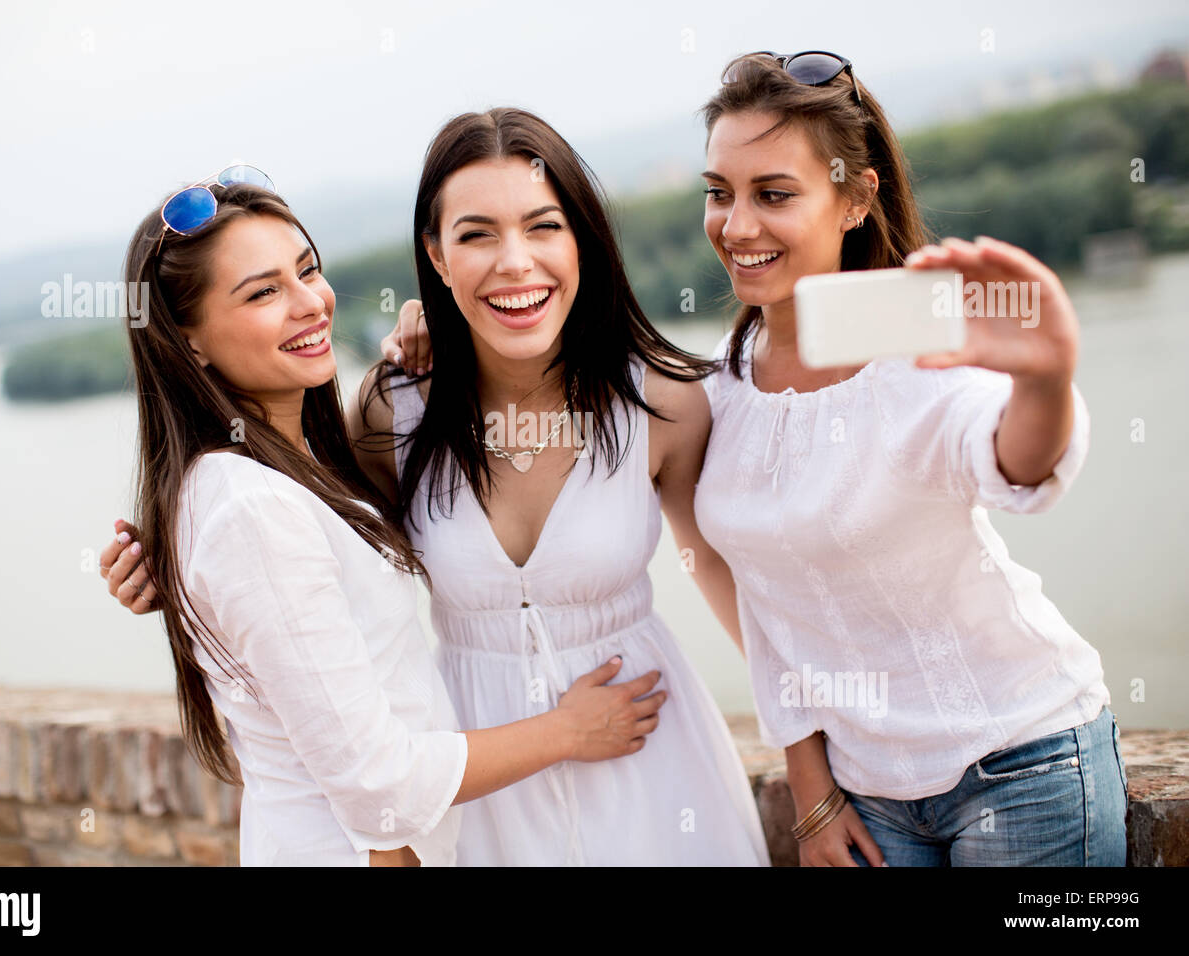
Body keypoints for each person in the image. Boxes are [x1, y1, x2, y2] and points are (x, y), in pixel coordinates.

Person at [106, 168, 666, 866]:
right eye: (264, 292)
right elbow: (384, 789)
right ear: (188, 339)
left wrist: (441, 321)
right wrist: (569, 731)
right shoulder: (248, 504)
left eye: (307, 271)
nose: (309, 303)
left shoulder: (287, 471)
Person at [690, 51, 1127, 866]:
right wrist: (812, 791)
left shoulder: (916, 347)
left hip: (1023, 763)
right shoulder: (715, 387)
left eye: (774, 194)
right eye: (720, 193)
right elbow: (764, 611)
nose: (737, 226)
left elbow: (1018, 464)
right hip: (868, 793)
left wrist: (1046, 375)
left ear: (856, 197)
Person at [351, 108, 769, 866]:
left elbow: (730, 570)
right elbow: (305, 557)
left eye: (543, 226)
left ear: (582, 240)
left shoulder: (665, 400)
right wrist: (171, 562)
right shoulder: (394, 408)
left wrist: (815, 744)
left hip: (656, 770)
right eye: (476, 234)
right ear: (437, 257)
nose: (515, 262)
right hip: (484, 796)